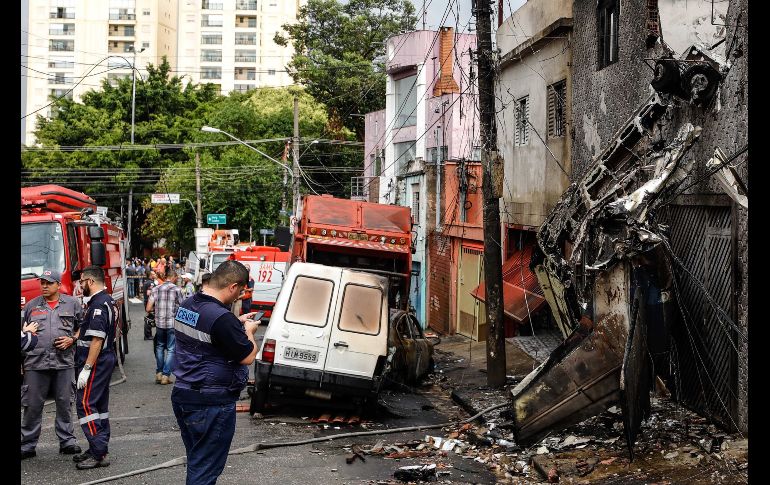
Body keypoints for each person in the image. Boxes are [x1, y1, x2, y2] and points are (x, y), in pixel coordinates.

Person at [171, 260, 260, 485]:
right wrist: (248, 331)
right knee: (205, 469)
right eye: (240, 291)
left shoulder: (188, 304)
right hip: (210, 402)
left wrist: (233, 325)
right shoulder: (222, 318)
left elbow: (206, 332)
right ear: (232, 287)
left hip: (184, 393)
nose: (239, 296)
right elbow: (248, 355)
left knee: (198, 460)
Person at [20, 269, 83, 460]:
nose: (44, 286)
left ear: (58, 285)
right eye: (42, 283)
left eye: (48, 283)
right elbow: (22, 334)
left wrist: (72, 339)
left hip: (64, 363)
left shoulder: (72, 304)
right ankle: (27, 445)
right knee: (32, 405)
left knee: (65, 403)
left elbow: (83, 328)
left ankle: (67, 442)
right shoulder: (31, 306)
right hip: (35, 364)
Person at [73, 265, 118, 469]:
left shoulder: (98, 305)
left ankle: (99, 452)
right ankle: (97, 447)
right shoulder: (106, 300)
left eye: (82, 282)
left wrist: (87, 368)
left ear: (90, 282)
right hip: (104, 359)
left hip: (96, 360)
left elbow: (97, 341)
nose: (80, 285)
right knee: (99, 406)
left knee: (85, 404)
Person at [146, 268, 183, 385]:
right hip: (172, 323)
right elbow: (183, 306)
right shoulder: (177, 289)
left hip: (159, 323)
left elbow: (148, 308)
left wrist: (157, 311)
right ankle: (166, 376)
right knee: (172, 349)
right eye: (176, 278)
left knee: (160, 346)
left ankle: (159, 373)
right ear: (173, 277)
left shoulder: (156, 289)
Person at [142, 271, 159, 339]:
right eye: (154, 274)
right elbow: (150, 294)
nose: (155, 275)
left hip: (147, 302)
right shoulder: (151, 283)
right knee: (150, 318)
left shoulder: (147, 282)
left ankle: (148, 334)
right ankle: (147, 335)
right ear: (151, 275)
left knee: (150, 317)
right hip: (150, 303)